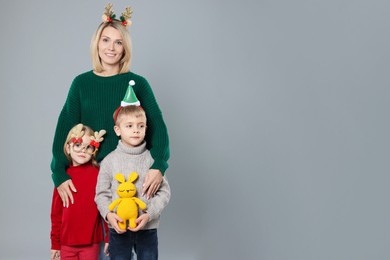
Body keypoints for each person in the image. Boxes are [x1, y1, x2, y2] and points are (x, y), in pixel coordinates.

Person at [51, 3, 169, 208]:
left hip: (128, 176)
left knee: (123, 236)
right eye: (106, 40)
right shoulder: (81, 83)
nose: (111, 48)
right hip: (88, 173)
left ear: (125, 48)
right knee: (87, 237)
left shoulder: (138, 84)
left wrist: (159, 164)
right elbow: (65, 127)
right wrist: (59, 172)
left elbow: (157, 126)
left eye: (118, 42)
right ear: (97, 43)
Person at [95, 86, 171, 260]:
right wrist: (109, 215)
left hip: (147, 228)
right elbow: (101, 194)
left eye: (140, 126)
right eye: (129, 126)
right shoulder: (109, 161)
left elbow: (164, 192)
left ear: (146, 128)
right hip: (118, 228)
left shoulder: (152, 161)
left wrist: (149, 214)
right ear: (118, 130)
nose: (136, 130)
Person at [50, 124, 109, 260]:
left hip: (91, 242)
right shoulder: (63, 177)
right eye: (78, 145)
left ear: (94, 150)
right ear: (68, 148)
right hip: (66, 243)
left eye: (88, 147)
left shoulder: (98, 174)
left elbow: (105, 207)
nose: (83, 150)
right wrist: (55, 244)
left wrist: (109, 238)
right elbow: (56, 214)